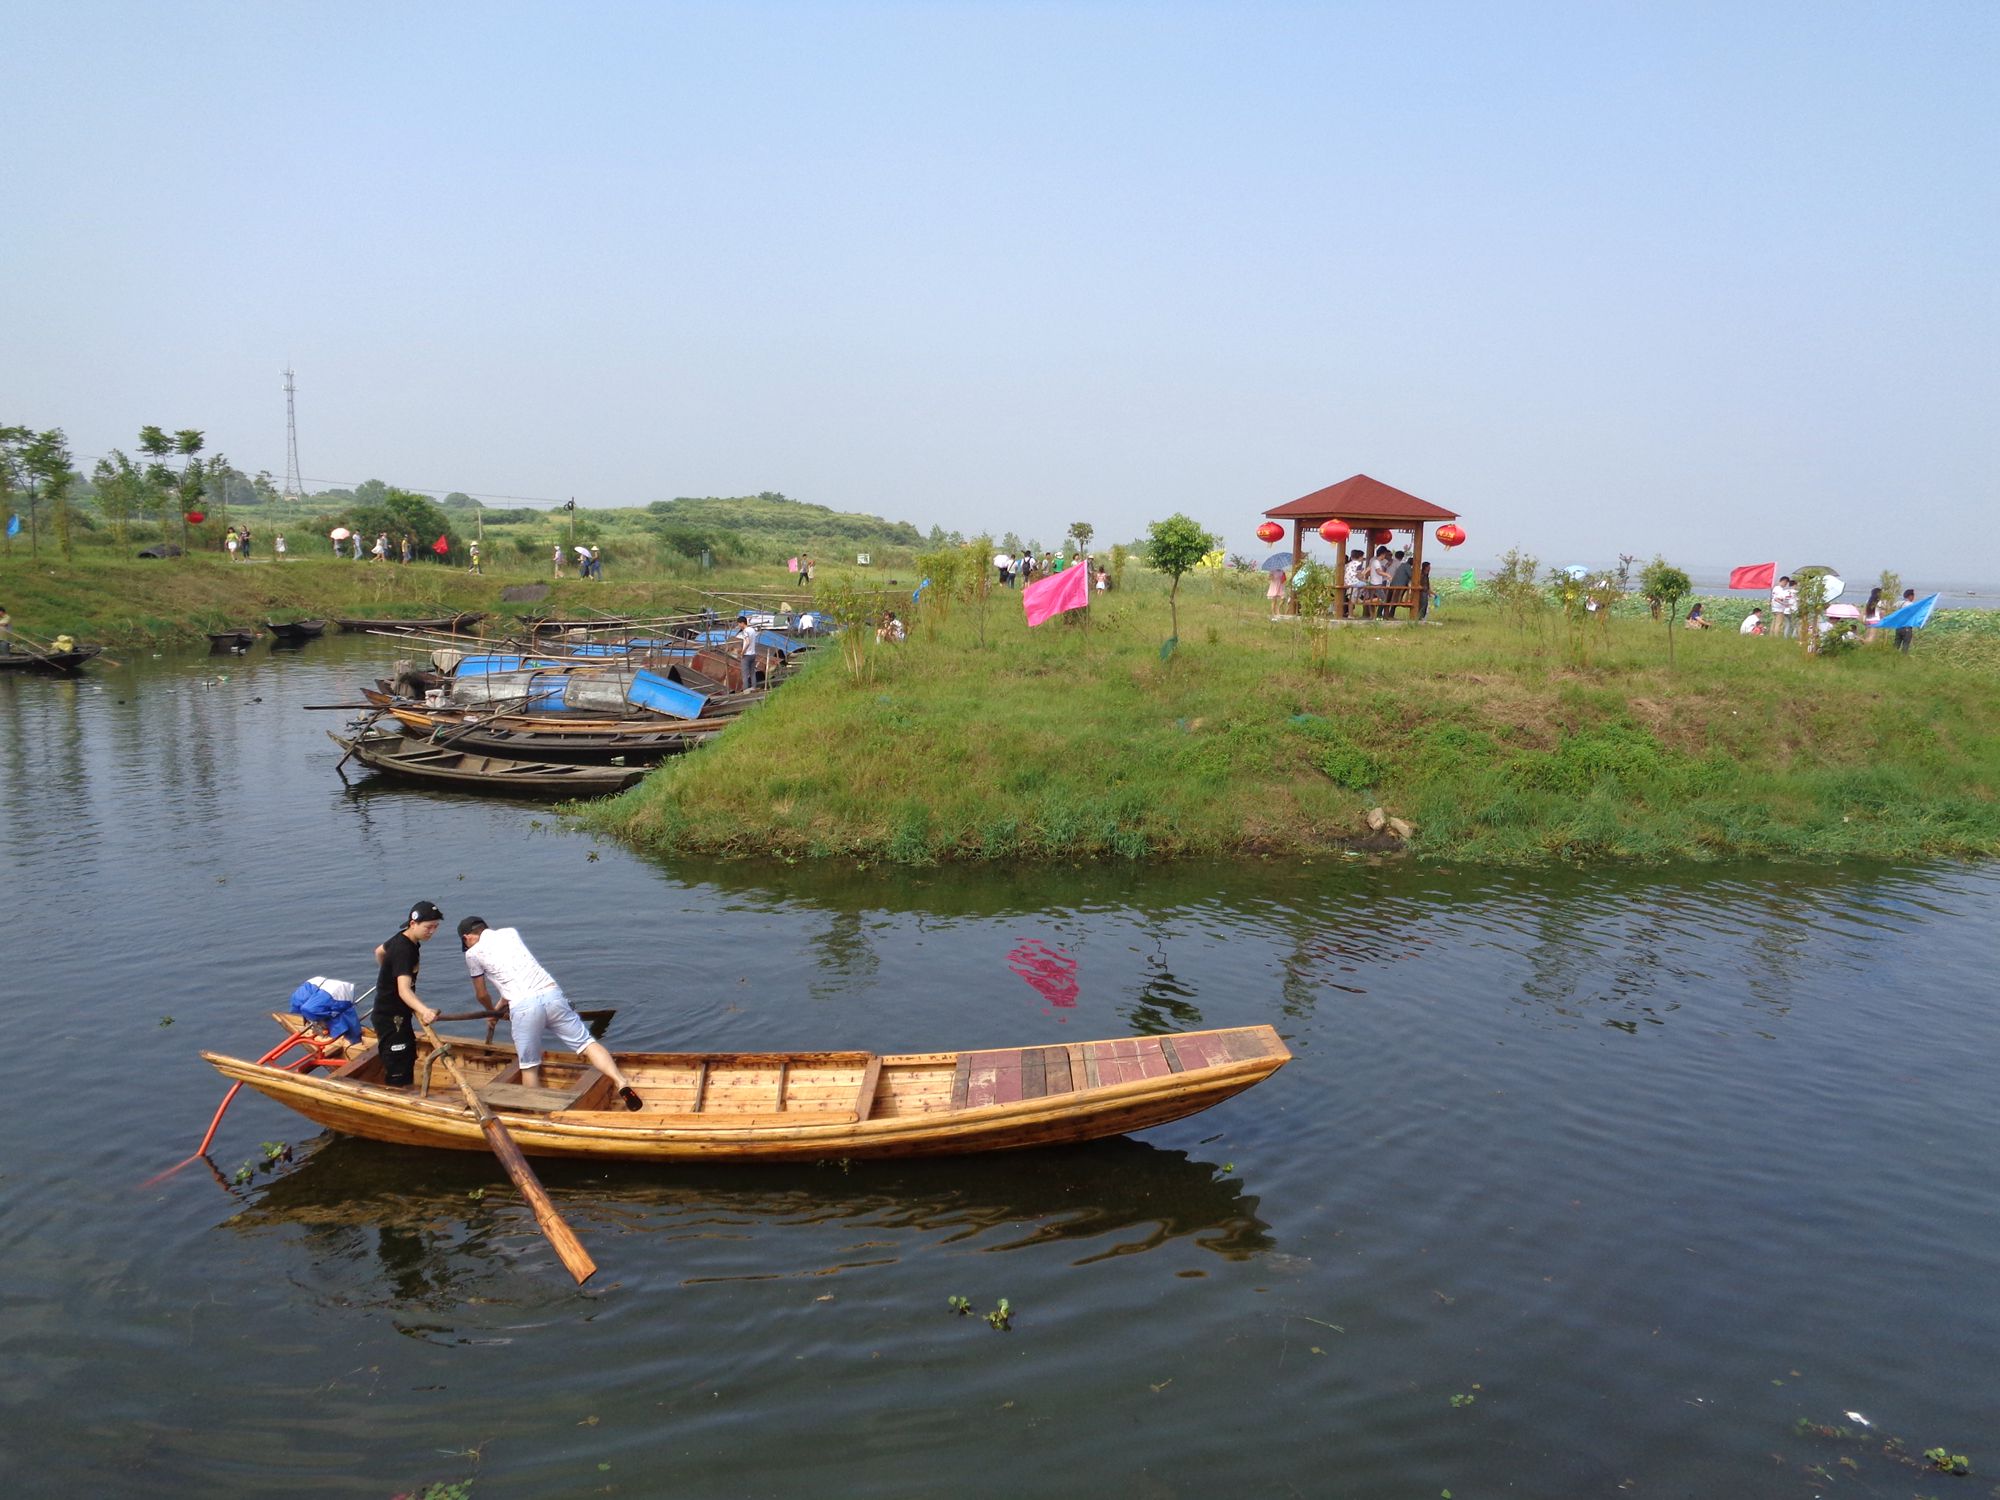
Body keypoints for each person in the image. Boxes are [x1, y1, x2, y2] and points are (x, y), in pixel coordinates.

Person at [458, 918, 644, 1108]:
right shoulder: (510, 933)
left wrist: (490, 1011)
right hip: (552, 995)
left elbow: (482, 993)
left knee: (529, 1066)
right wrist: (497, 1010)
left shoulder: (472, 954)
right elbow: (513, 977)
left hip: (524, 1007)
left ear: (467, 938)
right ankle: (621, 1081)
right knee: (587, 1043)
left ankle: (540, 1117)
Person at [372, 901, 444, 1087]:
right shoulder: (404, 950)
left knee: (409, 1051)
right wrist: (425, 1010)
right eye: (428, 927)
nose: (432, 932)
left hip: (399, 1011)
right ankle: (395, 1096)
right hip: (391, 1016)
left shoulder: (404, 939)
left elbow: (379, 951)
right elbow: (404, 991)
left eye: (435, 927)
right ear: (413, 924)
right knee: (399, 1060)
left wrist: (388, 973)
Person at [736, 613, 761, 688]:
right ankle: (754, 687)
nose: (738, 626)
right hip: (753, 654)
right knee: (752, 673)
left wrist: (742, 652)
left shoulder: (745, 631)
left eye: (739, 624)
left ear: (742, 623)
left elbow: (747, 642)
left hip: (747, 655)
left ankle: (746, 690)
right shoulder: (752, 630)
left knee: (745, 674)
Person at [1894, 588, 1917, 654]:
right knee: (1905, 645)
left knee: (1896, 644)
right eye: (1913, 596)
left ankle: (1892, 657)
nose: (1913, 598)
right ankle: (1902, 660)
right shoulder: (1911, 604)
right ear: (1910, 596)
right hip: (1906, 628)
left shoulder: (1899, 603)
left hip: (1898, 627)